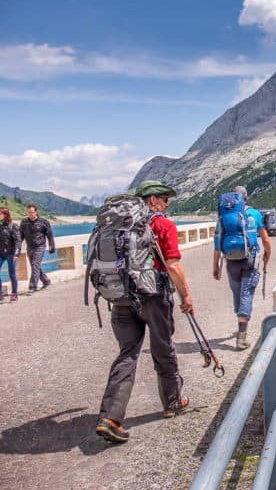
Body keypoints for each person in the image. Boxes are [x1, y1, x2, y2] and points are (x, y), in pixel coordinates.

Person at [96, 180, 195, 443]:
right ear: (152, 200)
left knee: (127, 353)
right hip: (153, 296)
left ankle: (110, 418)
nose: (166, 205)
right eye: (164, 200)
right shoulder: (162, 225)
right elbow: (172, 266)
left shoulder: (118, 226)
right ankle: (173, 402)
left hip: (122, 297)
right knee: (163, 348)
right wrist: (186, 295)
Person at [213, 185, 271, 350]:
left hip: (231, 260)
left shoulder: (223, 218)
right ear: (245, 198)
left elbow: (217, 245)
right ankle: (241, 337)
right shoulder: (253, 214)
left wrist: (215, 267)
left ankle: (240, 318)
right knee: (247, 294)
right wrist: (267, 255)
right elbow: (266, 239)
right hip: (250, 260)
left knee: (237, 292)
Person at [19, 203, 55, 293]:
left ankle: (32, 287)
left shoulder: (43, 221)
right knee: (35, 266)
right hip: (29, 247)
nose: (30, 214)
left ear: (36, 212)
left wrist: (52, 246)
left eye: (32, 212)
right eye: (28, 212)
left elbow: (49, 234)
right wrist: (17, 247)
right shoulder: (24, 222)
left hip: (40, 247)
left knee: (35, 265)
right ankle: (46, 281)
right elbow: (20, 236)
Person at [0, 207, 22, 302]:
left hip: (11, 253)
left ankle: (14, 293)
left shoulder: (13, 225)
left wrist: (16, 254)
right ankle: (0, 293)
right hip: (0, 253)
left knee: (12, 274)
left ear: (5, 214)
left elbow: (18, 241)